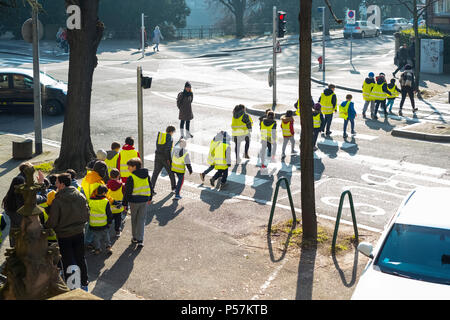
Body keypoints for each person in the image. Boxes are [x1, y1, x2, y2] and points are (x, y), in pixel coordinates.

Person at [46, 173, 90, 291]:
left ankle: (72, 287)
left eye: (56, 182)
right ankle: (84, 284)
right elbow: (87, 214)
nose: (55, 185)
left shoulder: (57, 201)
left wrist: (46, 227)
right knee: (80, 257)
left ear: (62, 185)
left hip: (64, 235)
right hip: (79, 232)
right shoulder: (80, 196)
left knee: (68, 260)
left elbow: (53, 221)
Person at [2, 171, 47, 247]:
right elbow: (44, 198)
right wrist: (41, 184)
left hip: (14, 231)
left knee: (17, 252)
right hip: (29, 230)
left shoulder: (7, 199)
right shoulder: (28, 199)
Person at [123, 158, 152, 248]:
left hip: (134, 201)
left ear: (134, 167)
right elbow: (150, 187)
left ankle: (135, 237)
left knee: (134, 219)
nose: (128, 169)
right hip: (144, 200)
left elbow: (127, 192)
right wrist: (150, 198)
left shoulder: (131, 177)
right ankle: (140, 240)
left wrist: (125, 204)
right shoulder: (146, 175)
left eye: (129, 167)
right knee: (141, 220)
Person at [88, 185, 113, 255]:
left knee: (96, 237)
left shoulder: (91, 201)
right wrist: (110, 222)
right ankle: (108, 247)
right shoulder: (105, 201)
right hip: (103, 223)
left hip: (93, 224)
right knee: (106, 235)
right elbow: (109, 214)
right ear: (103, 193)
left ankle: (97, 249)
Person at [151, 126, 177, 194]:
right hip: (165, 158)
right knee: (171, 173)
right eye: (173, 132)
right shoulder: (169, 137)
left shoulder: (160, 136)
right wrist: (168, 159)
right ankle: (174, 188)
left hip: (157, 156)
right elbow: (167, 149)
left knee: (155, 173)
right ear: (171, 131)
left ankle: (151, 189)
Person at [107, 169, 125, 237]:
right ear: (118, 176)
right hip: (118, 207)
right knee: (118, 220)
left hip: (109, 207)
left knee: (109, 219)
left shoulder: (107, 185)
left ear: (110, 176)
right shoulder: (122, 185)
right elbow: (124, 194)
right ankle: (117, 231)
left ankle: (106, 230)